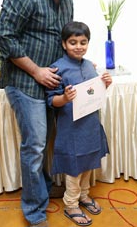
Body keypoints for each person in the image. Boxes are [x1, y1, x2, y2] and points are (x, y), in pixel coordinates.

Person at [0, 0, 83, 227]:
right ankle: (34, 212)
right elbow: (4, 39)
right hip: (24, 83)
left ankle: (42, 188)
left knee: (44, 144)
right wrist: (37, 71)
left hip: (50, 86)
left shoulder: (67, 2)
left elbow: (66, 42)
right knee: (33, 147)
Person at [45, 21, 112, 226]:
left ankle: (84, 196)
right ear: (64, 44)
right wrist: (64, 98)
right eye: (73, 42)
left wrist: (105, 84)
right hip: (71, 130)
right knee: (74, 168)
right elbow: (51, 100)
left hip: (91, 127)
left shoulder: (90, 65)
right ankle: (71, 204)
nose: (78, 46)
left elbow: (94, 94)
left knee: (89, 164)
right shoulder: (58, 69)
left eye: (83, 42)